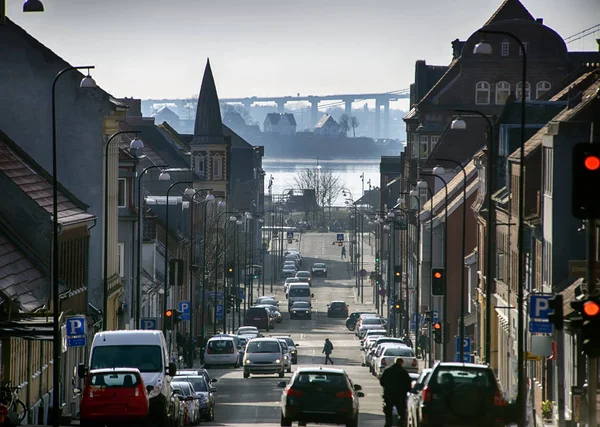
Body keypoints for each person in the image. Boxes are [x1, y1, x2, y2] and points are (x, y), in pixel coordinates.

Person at [379, 357, 412, 427]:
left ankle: (388, 424)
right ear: (401, 363)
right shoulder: (403, 372)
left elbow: (382, 381)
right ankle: (400, 424)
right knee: (402, 413)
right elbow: (408, 384)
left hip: (389, 395)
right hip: (400, 396)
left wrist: (387, 387)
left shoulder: (388, 371)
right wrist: (406, 391)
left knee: (388, 412)